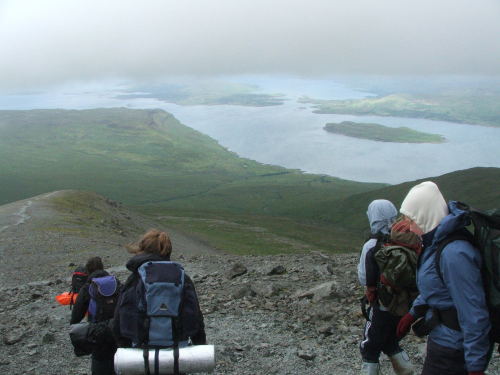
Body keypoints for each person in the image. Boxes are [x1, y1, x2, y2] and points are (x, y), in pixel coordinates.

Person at [396, 181, 491, 375]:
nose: (410, 229)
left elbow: (473, 313)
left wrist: (475, 366)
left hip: (454, 349)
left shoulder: (454, 254)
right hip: (443, 339)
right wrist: (413, 313)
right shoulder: (435, 242)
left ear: (426, 216)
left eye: (412, 221)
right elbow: (437, 286)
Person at [113, 229, 206, 347]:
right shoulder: (181, 277)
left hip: (141, 349)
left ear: (143, 249)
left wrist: (123, 345)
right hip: (178, 348)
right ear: (168, 251)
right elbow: (196, 315)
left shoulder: (136, 277)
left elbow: (118, 318)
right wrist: (200, 344)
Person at [358, 199, 414, 375]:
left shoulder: (372, 245)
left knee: (370, 344)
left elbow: (364, 276)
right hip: (404, 303)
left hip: (381, 303)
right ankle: (406, 369)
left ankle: (370, 370)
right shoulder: (405, 239)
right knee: (390, 339)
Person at [71, 256, 118, 375]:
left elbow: (76, 315)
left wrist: (75, 329)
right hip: (118, 332)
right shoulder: (116, 283)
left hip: (98, 333)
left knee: (100, 364)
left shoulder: (88, 287)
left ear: (88, 271)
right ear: (102, 268)